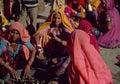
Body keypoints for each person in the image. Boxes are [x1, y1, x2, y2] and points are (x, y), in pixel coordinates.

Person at [34, 7, 74, 83]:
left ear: (62, 19)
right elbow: (36, 36)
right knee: (43, 62)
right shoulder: (49, 27)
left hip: (62, 54)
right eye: (54, 18)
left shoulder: (64, 29)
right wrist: (40, 50)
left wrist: (56, 38)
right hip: (49, 53)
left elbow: (71, 43)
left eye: (59, 18)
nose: (56, 20)